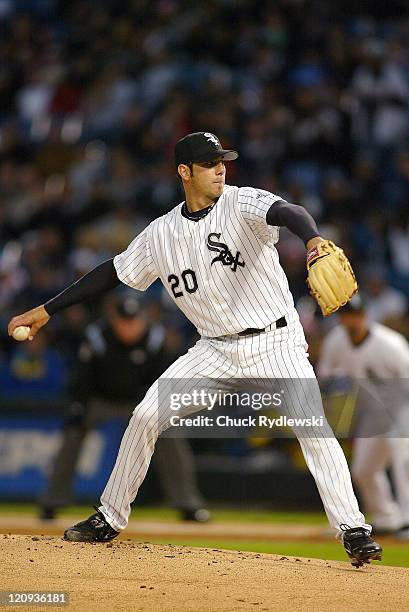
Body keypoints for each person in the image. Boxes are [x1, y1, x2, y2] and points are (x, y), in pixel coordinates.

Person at [8, 131, 382, 567]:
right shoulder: (160, 234)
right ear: (184, 172)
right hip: (213, 352)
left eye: (222, 159)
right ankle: (109, 516)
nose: (220, 168)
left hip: (275, 341)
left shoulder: (240, 202)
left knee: (312, 426)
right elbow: (112, 272)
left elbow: (288, 211)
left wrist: (313, 239)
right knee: (147, 415)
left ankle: (353, 528)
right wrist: (48, 310)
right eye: (209, 163)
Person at [39, 292, 209, 522]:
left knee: (171, 434)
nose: (129, 326)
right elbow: (82, 379)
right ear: (114, 319)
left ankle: (189, 504)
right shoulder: (97, 336)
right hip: (100, 400)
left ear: (142, 318)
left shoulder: (155, 338)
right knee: (73, 432)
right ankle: (52, 501)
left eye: (133, 320)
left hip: (140, 399)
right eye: (123, 320)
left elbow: (164, 379)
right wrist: (77, 407)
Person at [318, 295, 409, 538]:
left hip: (402, 410)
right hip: (372, 414)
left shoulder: (390, 344)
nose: (351, 320)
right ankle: (387, 518)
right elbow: (325, 378)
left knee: (403, 463)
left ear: (365, 316)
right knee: (363, 470)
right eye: (346, 315)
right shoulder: (336, 341)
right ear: (341, 319)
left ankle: (408, 521)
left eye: (356, 315)